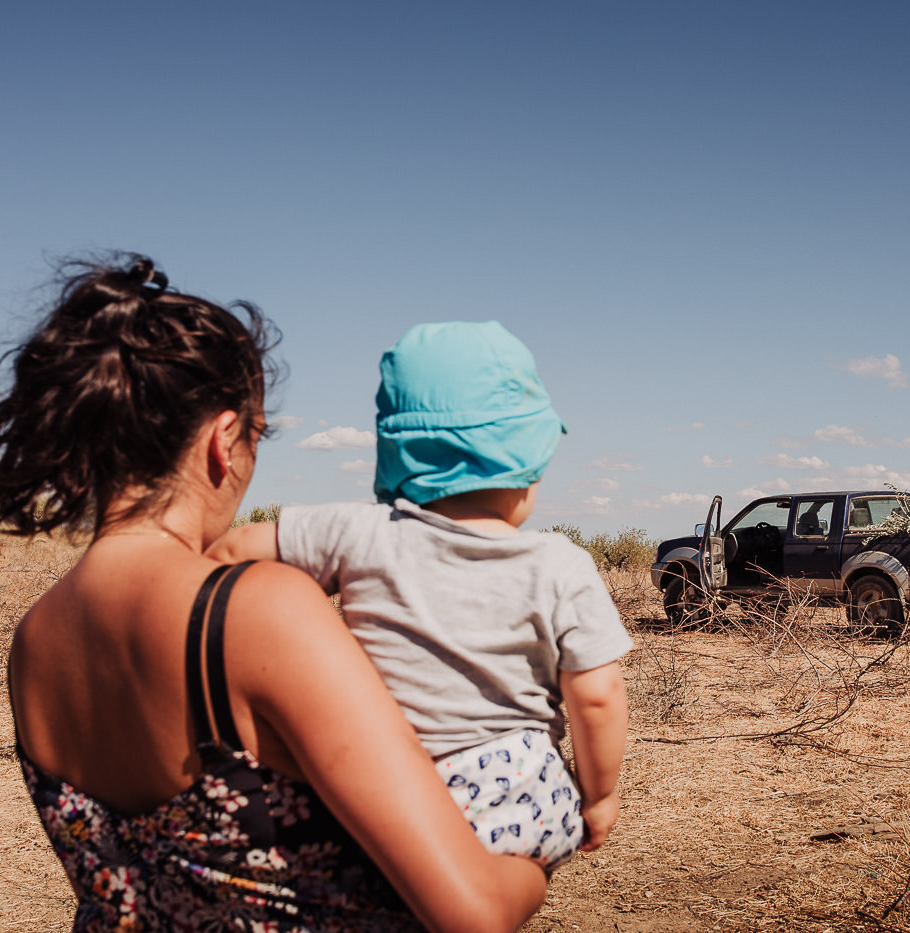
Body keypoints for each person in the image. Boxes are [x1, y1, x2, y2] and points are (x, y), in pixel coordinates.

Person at [0, 256, 546, 932]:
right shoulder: (255, 611)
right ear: (224, 438)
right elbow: (473, 911)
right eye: (259, 434)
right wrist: (538, 852)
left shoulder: (35, 638)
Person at [211, 321, 632, 870]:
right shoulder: (561, 564)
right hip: (522, 799)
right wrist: (599, 796)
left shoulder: (357, 532)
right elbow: (597, 696)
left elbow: (230, 551)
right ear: (529, 462)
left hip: (383, 791)